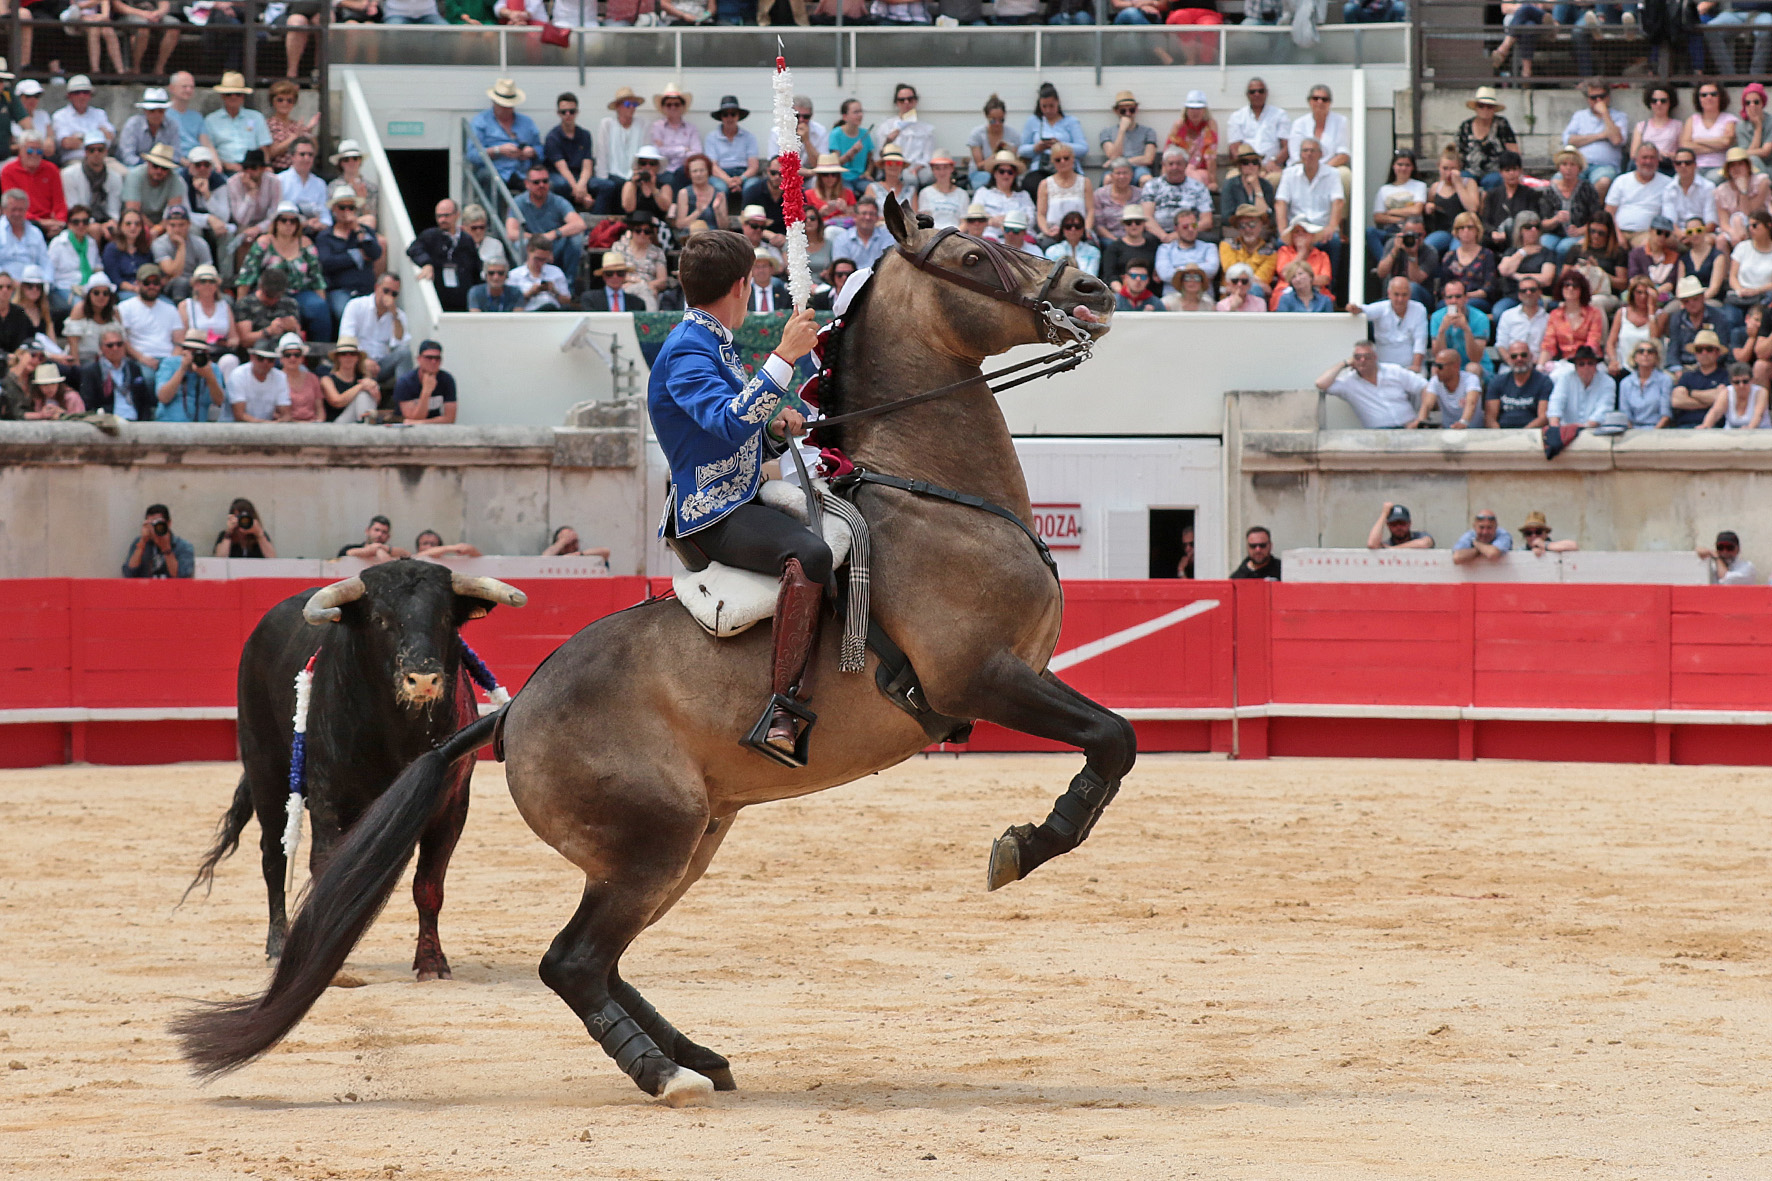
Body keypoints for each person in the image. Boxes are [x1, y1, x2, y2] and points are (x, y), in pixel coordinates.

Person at [646, 228, 822, 761]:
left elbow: (738, 431)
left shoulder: (709, 342)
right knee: (811, 553)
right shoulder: (686, 350)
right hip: (711, 512)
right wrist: (785, 357)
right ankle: (783, 710)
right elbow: (725, 423)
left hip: (736, 494)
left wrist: (773, 430)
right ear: (743, 286)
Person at [237, 202, 327, 340]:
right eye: (283, 220)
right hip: (268, 294)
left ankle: (319, 352)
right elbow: (246, 276)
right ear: (275, 222)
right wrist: (241, 307)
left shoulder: (306, 243)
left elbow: (317, 278)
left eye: (293, 220)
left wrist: (323, 303)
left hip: (298, 292)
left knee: (319, 307)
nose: (288, 224)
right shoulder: (264, 242)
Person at [506, 162, 586, 285]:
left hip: (555, 245)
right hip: (532, 246)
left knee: (576, 239)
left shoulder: (557, 201)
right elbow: (511, 233)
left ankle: (569, 285)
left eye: (545, 181)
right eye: (536, 182)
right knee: (521, 244)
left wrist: (553, 235)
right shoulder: (519, 202)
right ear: (527, 184)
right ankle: (525, 284)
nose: (541, 185)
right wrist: (540, 240)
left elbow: (580, 224)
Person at [1317, 341, 1428, 428]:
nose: (1362, 360)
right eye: (1358, 357)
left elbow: (1425, 387)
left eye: (1367, 356)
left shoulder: (1393, 371)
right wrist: (1344, 363)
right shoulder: (1348, 382)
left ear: (1375, 357)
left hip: (1410, 426)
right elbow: (1320, 383)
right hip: (1379, 434)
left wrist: (1421, 419)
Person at [315, 184, 381, 326]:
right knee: (346, 315)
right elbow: (327, 263)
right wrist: (356, 255)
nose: (347, 211)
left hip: (366, 290)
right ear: (334, 209)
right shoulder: (325, 236)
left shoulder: (365, 231)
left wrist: (358, 231)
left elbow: (375, 253)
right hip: (340, 290)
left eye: (351, 208)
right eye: (342, 207)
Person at [406, 198, 481, 314]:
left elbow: (476, 269)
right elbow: (414, 249)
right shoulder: (430, 235)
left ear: (457, 215)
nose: (442, 220)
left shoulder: (467, 239)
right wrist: (426, 263)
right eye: (439, 216)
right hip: (440, 296)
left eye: (446, 216)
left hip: (462, 299)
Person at [1018, 83, 1088, 196]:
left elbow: (1083, 148)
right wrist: (1036, 148)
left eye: (1051, 106)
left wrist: (1061, 146)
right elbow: (1021, 150)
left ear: (1058, 103)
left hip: (1066, 165)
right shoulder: (1033, 121)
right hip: (1040, 167)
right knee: (1031, 184)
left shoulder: (1071, 121)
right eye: (1044, 106)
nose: (1048, 110)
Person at [338, 273, 410, 383]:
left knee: (405, 353)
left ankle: (403, 396)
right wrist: (363, 360)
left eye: (394, 294)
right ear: (377, 287)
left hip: (381, 365)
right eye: (386, 291)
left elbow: (399, 343)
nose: (389, 296)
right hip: (356, 362)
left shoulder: (399, 315)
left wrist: (395, 316)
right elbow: (346, 338)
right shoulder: (356, 305)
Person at [472, 78, 542, 190]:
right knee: (488, 178)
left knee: (542, 182)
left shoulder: (527, 123)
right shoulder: (480, 122)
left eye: (509, 106)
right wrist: (498, 150)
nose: (505, 109)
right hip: (495, 171)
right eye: (502, 105)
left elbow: (540, 149)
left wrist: (532, 152)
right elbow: (472, 155)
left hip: (522, 172)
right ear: (494, 102)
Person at [1563, 80, 1628, 198]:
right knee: (1557, 181)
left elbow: (1617, 140)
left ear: (1608, 97)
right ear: (1588, 99)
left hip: (1605, 166)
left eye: (1601, 97)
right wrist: (1601, 135)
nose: (1598, 101)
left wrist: (1605, 113)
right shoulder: (1579, 116)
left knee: (1603, 183)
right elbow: (1569, 140)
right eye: (1593, 98)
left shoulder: (1619, 117)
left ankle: (1591, 214)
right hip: (1578, 165)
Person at [1350, 275, 1427, 371]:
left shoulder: (1419, 309)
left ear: (1410, 294)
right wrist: (1354, 308)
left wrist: (1416, 367)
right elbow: (1364, 311)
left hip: (1410, 368)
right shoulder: (1381, 308)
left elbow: (1420, 341)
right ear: (1389, 294)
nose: (1400, 299)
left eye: (1404, 295)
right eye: (1396, 294)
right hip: (1383, 369)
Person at [1607, 143, 1674, 246]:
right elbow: (1609, 212)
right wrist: (1618, 235)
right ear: (1636, 160)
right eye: (1644, 157)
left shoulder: (1668, 184)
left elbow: (1670, 215)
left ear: (1658, 160)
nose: (1648, 161)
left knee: (1648, 245)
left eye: (1652, 158)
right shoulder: (1621, 180)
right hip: (1618, 231)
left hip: (1646, 234)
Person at [80, 325, 153, 419]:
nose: (115, 348)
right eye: (110, 345)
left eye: (119, 344)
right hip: (108, 423)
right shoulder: (92, 371)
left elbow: (144, 401)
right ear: (101, 348)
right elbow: (88, 403)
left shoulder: (133, 368)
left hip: (136, 422)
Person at [154, 327, 227, 422]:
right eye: (191, 351)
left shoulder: (212, 369)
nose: (194, 355)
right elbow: (163, 397)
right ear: (184, 350)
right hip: (170, 426)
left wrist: (209, 377)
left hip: (199, 428)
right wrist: (182, 369)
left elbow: (219, 401)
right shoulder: (169, 364)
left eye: (199, 351)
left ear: (206, 353)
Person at [1141, 147, 1214, 241]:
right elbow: (1147, 217)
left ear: (1186, 165)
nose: (1175, 167)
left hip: (1190, 232)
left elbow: (1207, 222)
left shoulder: (1198, 187)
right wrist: (1164, 237)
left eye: (1179, 164)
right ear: (1164, 165)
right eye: (1170, 164)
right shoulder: (1152, 185)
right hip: (1158, 234)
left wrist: (1180, 234)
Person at [203, 74, 270, 175]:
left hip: (254, 169)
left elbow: (263, 148)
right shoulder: (210, 120)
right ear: (222, 96)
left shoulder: (256, 117)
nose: (233, 97)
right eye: (229, 94)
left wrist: (266, 167)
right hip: (224, 170)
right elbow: (209, 150)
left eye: (238, 94)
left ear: (243, 96)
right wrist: (226, 165)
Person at [57, 135, 120, 243]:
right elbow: (74, 208)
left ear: (106, 152)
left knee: (115, 229)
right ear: (85, 152)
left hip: (104, 218)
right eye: (91, 150)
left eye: (100, 150)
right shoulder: (69, 174)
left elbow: (114, 209)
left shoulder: (115, 177)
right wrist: (94, 223)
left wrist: (111, 222)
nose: (96, 153)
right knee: (95, 229)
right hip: (80, 221)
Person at [1224, 77, 1289, 181]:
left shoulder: (1280, 115)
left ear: (1266, 93)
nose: (1257, 94)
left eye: (1260, 91)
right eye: (1252, 92)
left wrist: (1274, 162)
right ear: (1247, 95)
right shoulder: (1237, 117)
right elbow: (1234, 148)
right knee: (1232, 178)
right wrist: (1248, 166)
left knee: (1277, 179)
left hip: (1271, 167)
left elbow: (1286, 146)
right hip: (1245, 167)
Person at [1, 133, 65, 236]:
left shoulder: (52, 169)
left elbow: (60, 202)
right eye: (30, 151)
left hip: (52, 223)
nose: (34, 154)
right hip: (23, 221)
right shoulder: (9, 171)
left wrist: (59, 222)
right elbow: (12, 206)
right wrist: (40, 222)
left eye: (39, 151)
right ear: (20, 150)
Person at [1456, 87, 1518, 190]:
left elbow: (1513, 151)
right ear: (1475, 108)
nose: (1485, 110)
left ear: (1494, 109)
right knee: (1463, 178)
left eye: (1489, 107)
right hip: (1469, 170)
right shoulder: (1465, 126)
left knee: (1492, 180)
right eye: (1481, 106)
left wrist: (1513, 171)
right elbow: (1457, 152)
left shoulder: (1502, 124)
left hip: (1495, 171)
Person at [234, 265, 304, 358]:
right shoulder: (246, 304)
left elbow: (299, 336)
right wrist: (269, 331)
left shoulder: (290, 304)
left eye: (277, 297)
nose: (273, 300)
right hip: (258, 355)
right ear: (261, 287)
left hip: (285, 353)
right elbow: (244, 340)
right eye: (269, 296)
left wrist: (293, 328)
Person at [876, 83, 936, 188]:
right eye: (902, 100)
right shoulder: (886, 127)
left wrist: (917, 168)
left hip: (918, 167)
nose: (906, 103)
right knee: (910, 179)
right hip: (896, 166)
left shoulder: (925, 129)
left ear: (915, 101)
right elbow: (879, 155)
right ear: (896, 103)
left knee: (929, 176)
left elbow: (928, 156)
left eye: (910, 99)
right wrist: (889, 140)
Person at [1486, 338, 1553, 428]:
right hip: (1502, 434)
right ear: (1509, 359)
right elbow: (1490, 418)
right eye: (1514, 356)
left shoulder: (1544, 382)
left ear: (1531, 356)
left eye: (1523, 355)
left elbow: (1543, 417)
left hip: (1532, 434)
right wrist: (1500, 436)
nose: (1519, 359)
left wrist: (1522, 434)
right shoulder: (1497, 382)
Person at [1671, 329, 1731, 426]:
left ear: (1718, 352)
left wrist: (1690, 393)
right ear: (1695, 353)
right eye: (1699, 350)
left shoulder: (1726, 376)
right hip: (1685, 428)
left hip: (1715, 429)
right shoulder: (1687, 376)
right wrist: (1710, 402)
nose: (1704, 353)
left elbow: (1723, 398)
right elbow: (1676, 401)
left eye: (1709, 349)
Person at [704, 95, 758, 200]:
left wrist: (741, 179)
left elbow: (754, 166)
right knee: (719, 187)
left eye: (733, 114)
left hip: (743, 174)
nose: (729, 118)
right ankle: (721, 216)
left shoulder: (749, 137)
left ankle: (747, 215)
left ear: (738, 116)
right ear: (721, 117)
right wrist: (728, 180)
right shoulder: (711, 137)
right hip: (721, 174)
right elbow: (713, 166)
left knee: (753, 186)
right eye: (725, 114)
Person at [225, 340, 291, 423]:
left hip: (266, 429)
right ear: (252, 357)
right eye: (261, 358)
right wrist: (266, 424)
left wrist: (279, 422)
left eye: (270, 360)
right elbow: (239, 415)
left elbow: (286, 413)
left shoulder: (280, 377)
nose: (265, 363)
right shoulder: (238, 375)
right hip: (232, 429)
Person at [1549, 345, 1615, 428]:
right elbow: (1556, 403)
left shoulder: (1607, 382)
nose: (1586, 367)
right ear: (1575, 367)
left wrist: (1586, 427)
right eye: (1581, 364)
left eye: (1590, 363)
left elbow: (1604, 408)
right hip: (1567, 431)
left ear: (1596, 365)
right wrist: (1555, 426)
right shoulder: (1565, 379)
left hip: (1596, 431)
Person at [122, 503, 194, 578]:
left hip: (172, 589)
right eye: (152, 524)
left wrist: (166, 548)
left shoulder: (184, 546)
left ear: (169, 523)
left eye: (159, 523)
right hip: (145, 588)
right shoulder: (140, 543)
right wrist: (142, 542)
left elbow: (182, 577)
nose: (157, 528)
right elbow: (128, 573)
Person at [1102, 90, 1159, 183]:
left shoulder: (1148, 131)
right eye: (1123, 111)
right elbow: (1114, 156)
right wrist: (1122, 130)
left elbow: (1148, 159)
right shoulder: (1106, 132)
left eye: (1131, 110)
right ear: (1116, 111)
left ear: (1136, 110)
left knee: (1146, 179)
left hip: (1139, 168)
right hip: (1116, 168)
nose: (1128, 114)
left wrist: (1124, 161)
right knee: (1108, 179)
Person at [320, 337, 381, 423]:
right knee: (363, 394)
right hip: (336, 425)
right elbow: (336, 401)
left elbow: (376, 401)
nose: (348, 357)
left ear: (358, 357)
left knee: (365, 395)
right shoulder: (327, 379)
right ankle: (365, 425)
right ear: (338, 357)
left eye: (352, 354)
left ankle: (365, 424)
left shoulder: (363, 378)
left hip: (358, 418)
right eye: (343, 354)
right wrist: (360, 387)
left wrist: (372, 385)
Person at [395, 339, 457, 424]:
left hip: (435, 429)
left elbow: (450, 419)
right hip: (406, 432)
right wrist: (426, 391)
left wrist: (421, 423)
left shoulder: (447, 379)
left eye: (437, 358)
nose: (433, 361)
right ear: (419, 359)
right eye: (429, 357)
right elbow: (413, 418)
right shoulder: (405, 382)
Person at [1153, 209, 1216, 288]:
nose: (1191, 229)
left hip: (1202, 297)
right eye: (1185, 226)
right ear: (1176, 229)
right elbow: (1165, 274)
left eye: (1194, 226)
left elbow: (1211, 270)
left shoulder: (1209, 247)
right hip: (1172, 297)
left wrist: (1178, 269)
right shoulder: (1164, 249)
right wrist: (1196, 270)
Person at [1423, 347, 1483, 428]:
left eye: (1440, 366)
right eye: (1435, 365)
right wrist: (1421, 421)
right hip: (1447, 431)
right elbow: (1427, 405)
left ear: (1455, 366)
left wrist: (1463, 422)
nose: (1436, 370)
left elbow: (1471, 403)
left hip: (1474, 432)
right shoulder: (1435, 381)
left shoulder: (1471, 379)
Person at [1618, 340, 1674, 428]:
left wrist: (1651, 435)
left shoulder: (1665, 380)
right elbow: (1625, 414)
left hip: (1658, 430)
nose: (1645, 354)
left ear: (1656, 358)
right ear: (1634, 358)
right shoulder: (1625, 383)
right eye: (1641, 351)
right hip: (1632, 431)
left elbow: (1666, 415)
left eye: (1650, 352)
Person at [1698, 361, 1771, 428]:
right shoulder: (1726, 392)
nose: (1741, 385)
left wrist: (1750, 428)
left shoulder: (1761, 392)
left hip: (1759, 434)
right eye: (1736, 382)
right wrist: (1706, 425)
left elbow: (1758, 415)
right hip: (1731, 436)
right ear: (1731, 382)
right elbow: (1715, 412)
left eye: (1745, 381)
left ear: (1752, 380)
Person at [511, 235, 571, 311]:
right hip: (529, 315)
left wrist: (554, 291)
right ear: (528, 250)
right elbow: (511, 305)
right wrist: (530, 293)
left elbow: (567, 301)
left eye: (544, 259)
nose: (540, 263)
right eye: (537, 259)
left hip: (555, 314)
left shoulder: (556, 272)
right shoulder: (514, 275)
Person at [830, 198, 890, 270]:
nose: (868, 217)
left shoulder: (888, 237)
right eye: (864, 213)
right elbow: (841, 270)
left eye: (871, 214)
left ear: (877, 217)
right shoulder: (842, 239)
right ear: (855, 217)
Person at [277, 332, 323, 422]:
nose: (292, 358)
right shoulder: (275, 379)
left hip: (314, 427)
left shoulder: (313, 378)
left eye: (297, 355)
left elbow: (320, 409)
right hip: (285, 427)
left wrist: (319, 422)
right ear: (281, 358)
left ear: (302, 358)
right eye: (287, 355)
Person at [917, 155, 967, 233]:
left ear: (952, 169)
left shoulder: (962, 194)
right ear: (932, 170)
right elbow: (925, 222)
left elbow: (964, 222)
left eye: (945, 168)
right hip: (933, 236)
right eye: (937, 168)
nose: (942, 172)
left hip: (956, 235)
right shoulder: (925, 193)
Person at [338, 515, 411, 563]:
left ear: (388, 536)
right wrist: (376, 550)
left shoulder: (392, 552)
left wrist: (383, 548)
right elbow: (346, 554)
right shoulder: (349, 548)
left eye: (384, 532)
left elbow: (407, 555)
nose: (379, 534)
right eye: (376, 530)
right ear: (367, 531)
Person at [1368, 502, 1433, 548]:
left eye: (1402, 523)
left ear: (1409, 523)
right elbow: (1372, 544)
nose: (1398, 527)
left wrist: (1392, 549)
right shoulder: (1388, 544)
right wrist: (1384, 514)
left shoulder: (1419, 536)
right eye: (1394, 524)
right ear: (1388, 525)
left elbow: (1426, 543)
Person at [541, 525, 612, 565]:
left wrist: (578, 555)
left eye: (574, 542)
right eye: (568, 543)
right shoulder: (553, 560)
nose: (571, 546)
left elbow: (605, 552)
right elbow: (544, 558)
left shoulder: (584, 557)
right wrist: (563, 541)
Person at [413, 531, 481, 560]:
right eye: (425, 543)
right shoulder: (411, 562)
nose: (429, 547)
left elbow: (482, 564)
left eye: (433, 544)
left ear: (439, 547)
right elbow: (421, 556)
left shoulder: (447, 563)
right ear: (418, 547)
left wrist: (472, 550)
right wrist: (453, 548)